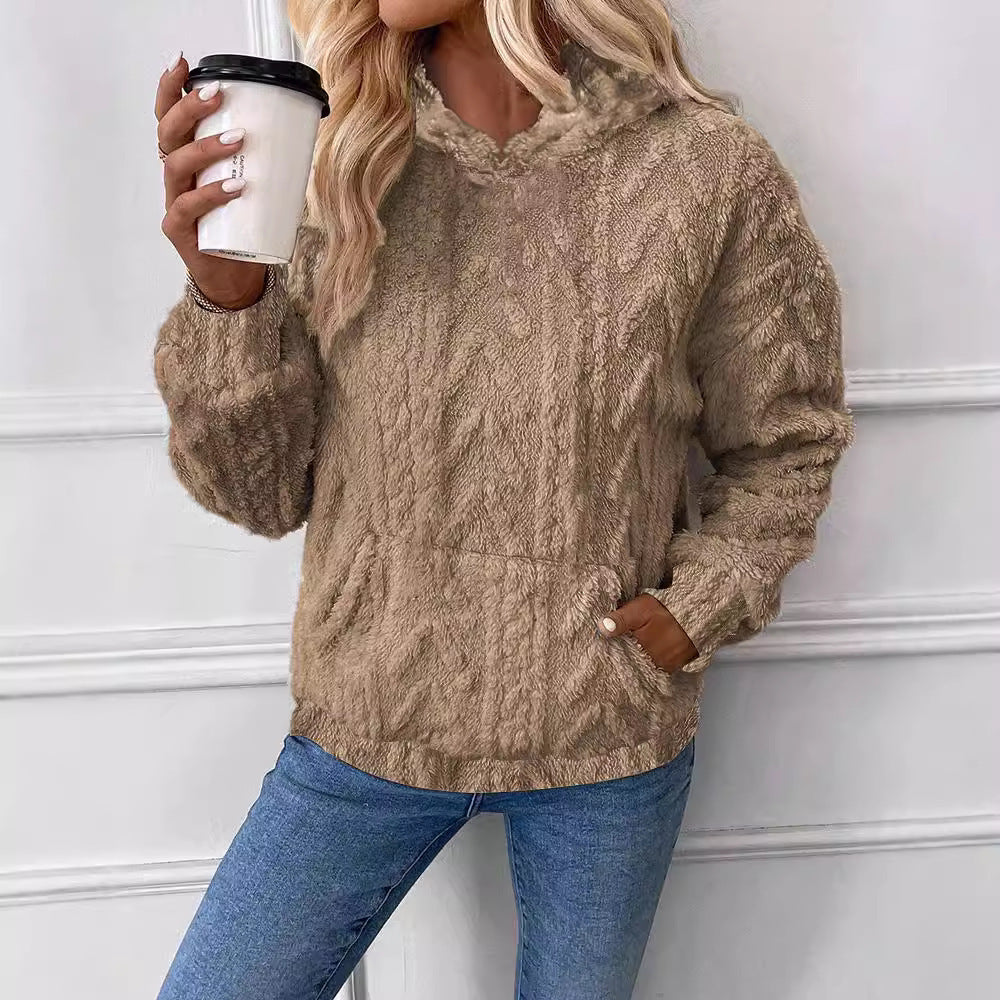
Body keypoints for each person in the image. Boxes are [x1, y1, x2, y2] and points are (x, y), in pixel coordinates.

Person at [151, 1, 855, 997]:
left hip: (605, 737)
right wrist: (228, 298)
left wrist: (697, 605)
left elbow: (788, 440)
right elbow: (259, 495)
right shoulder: (329, 161)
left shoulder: (705, 169)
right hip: (369, 720)